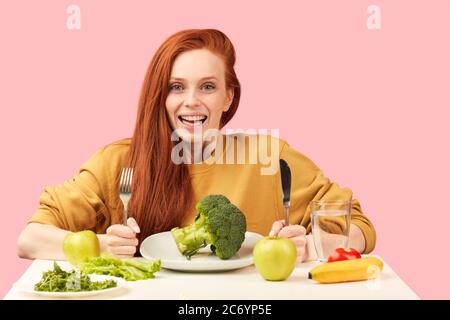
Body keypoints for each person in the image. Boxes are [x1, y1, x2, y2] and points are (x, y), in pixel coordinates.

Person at [17, 29, 376, 263]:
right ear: (160, 97)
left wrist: (314, 247)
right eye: (176, 87)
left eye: (207, 87)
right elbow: (30, 238)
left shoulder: (271, 157)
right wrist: (99, 248)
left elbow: (358, 225)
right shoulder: (119, 162)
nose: (191, 101)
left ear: (228, 97)